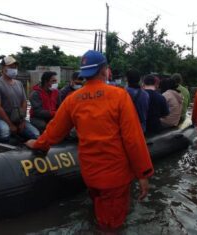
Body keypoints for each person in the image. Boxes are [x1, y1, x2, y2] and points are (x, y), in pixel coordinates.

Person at [26, 50, 154, 231]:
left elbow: (53, 131)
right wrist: (143, 173)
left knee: (98, 212)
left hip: (90, 174)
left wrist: (38, 144)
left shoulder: (72, 100)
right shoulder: (119, 96)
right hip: (115, 177)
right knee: (111, 227)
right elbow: (133, 139)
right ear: (104, 70)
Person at [0, 55, 39, 143]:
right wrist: (10, 124)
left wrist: (22, 120)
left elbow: (24, 102)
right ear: (3, 68)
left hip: (18, 119)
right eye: (10, 67)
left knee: (36, 134)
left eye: (15, 67)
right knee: (4, 132)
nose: (14, 69)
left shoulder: (19, 83)